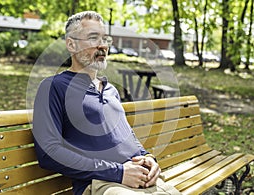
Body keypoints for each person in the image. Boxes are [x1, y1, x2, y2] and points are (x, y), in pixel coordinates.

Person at [32, 11, 181, 195]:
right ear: (71, 44)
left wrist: (147, 157)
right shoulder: (53, 87)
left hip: (140, 178)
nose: (103, 46)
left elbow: (127, 136)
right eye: (93, 38)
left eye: (105, 39)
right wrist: (118, 173)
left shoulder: (111, 91)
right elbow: (48, 152)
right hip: (102, 184)